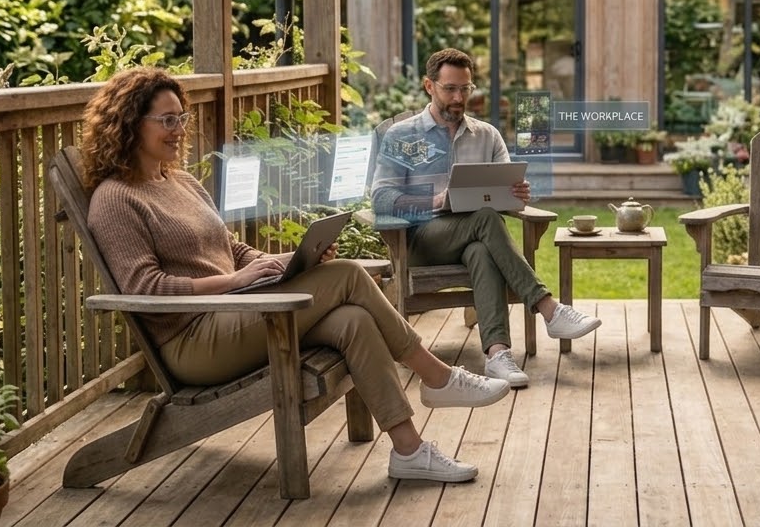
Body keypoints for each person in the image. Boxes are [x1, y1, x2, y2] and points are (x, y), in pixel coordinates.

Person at [82, 67, 509, 484]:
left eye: (182, 118)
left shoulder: (181, 182)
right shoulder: (116, 199)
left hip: (234, 313)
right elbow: (145, 288)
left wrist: (284, 260)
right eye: (167, 120)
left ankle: (409, 451)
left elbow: (229, 249)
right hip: (192, 341)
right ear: (130, 125)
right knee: (346, 275)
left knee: (353, 322)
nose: (179, 129)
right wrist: (234, 282)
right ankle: (437, 377)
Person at [371, 48, 600, 388]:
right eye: (450, 88)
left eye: (466, 89)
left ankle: (497, 354)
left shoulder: (486, 135)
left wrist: (517, 196)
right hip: (420, 240)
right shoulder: (401, 135)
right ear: (429, 86)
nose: (459, 97)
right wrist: (435, 200)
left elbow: (503, 191)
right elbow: (381, 197)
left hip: (472, 236)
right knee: (486, 219)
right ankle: (547, 307)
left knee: (482, 247)